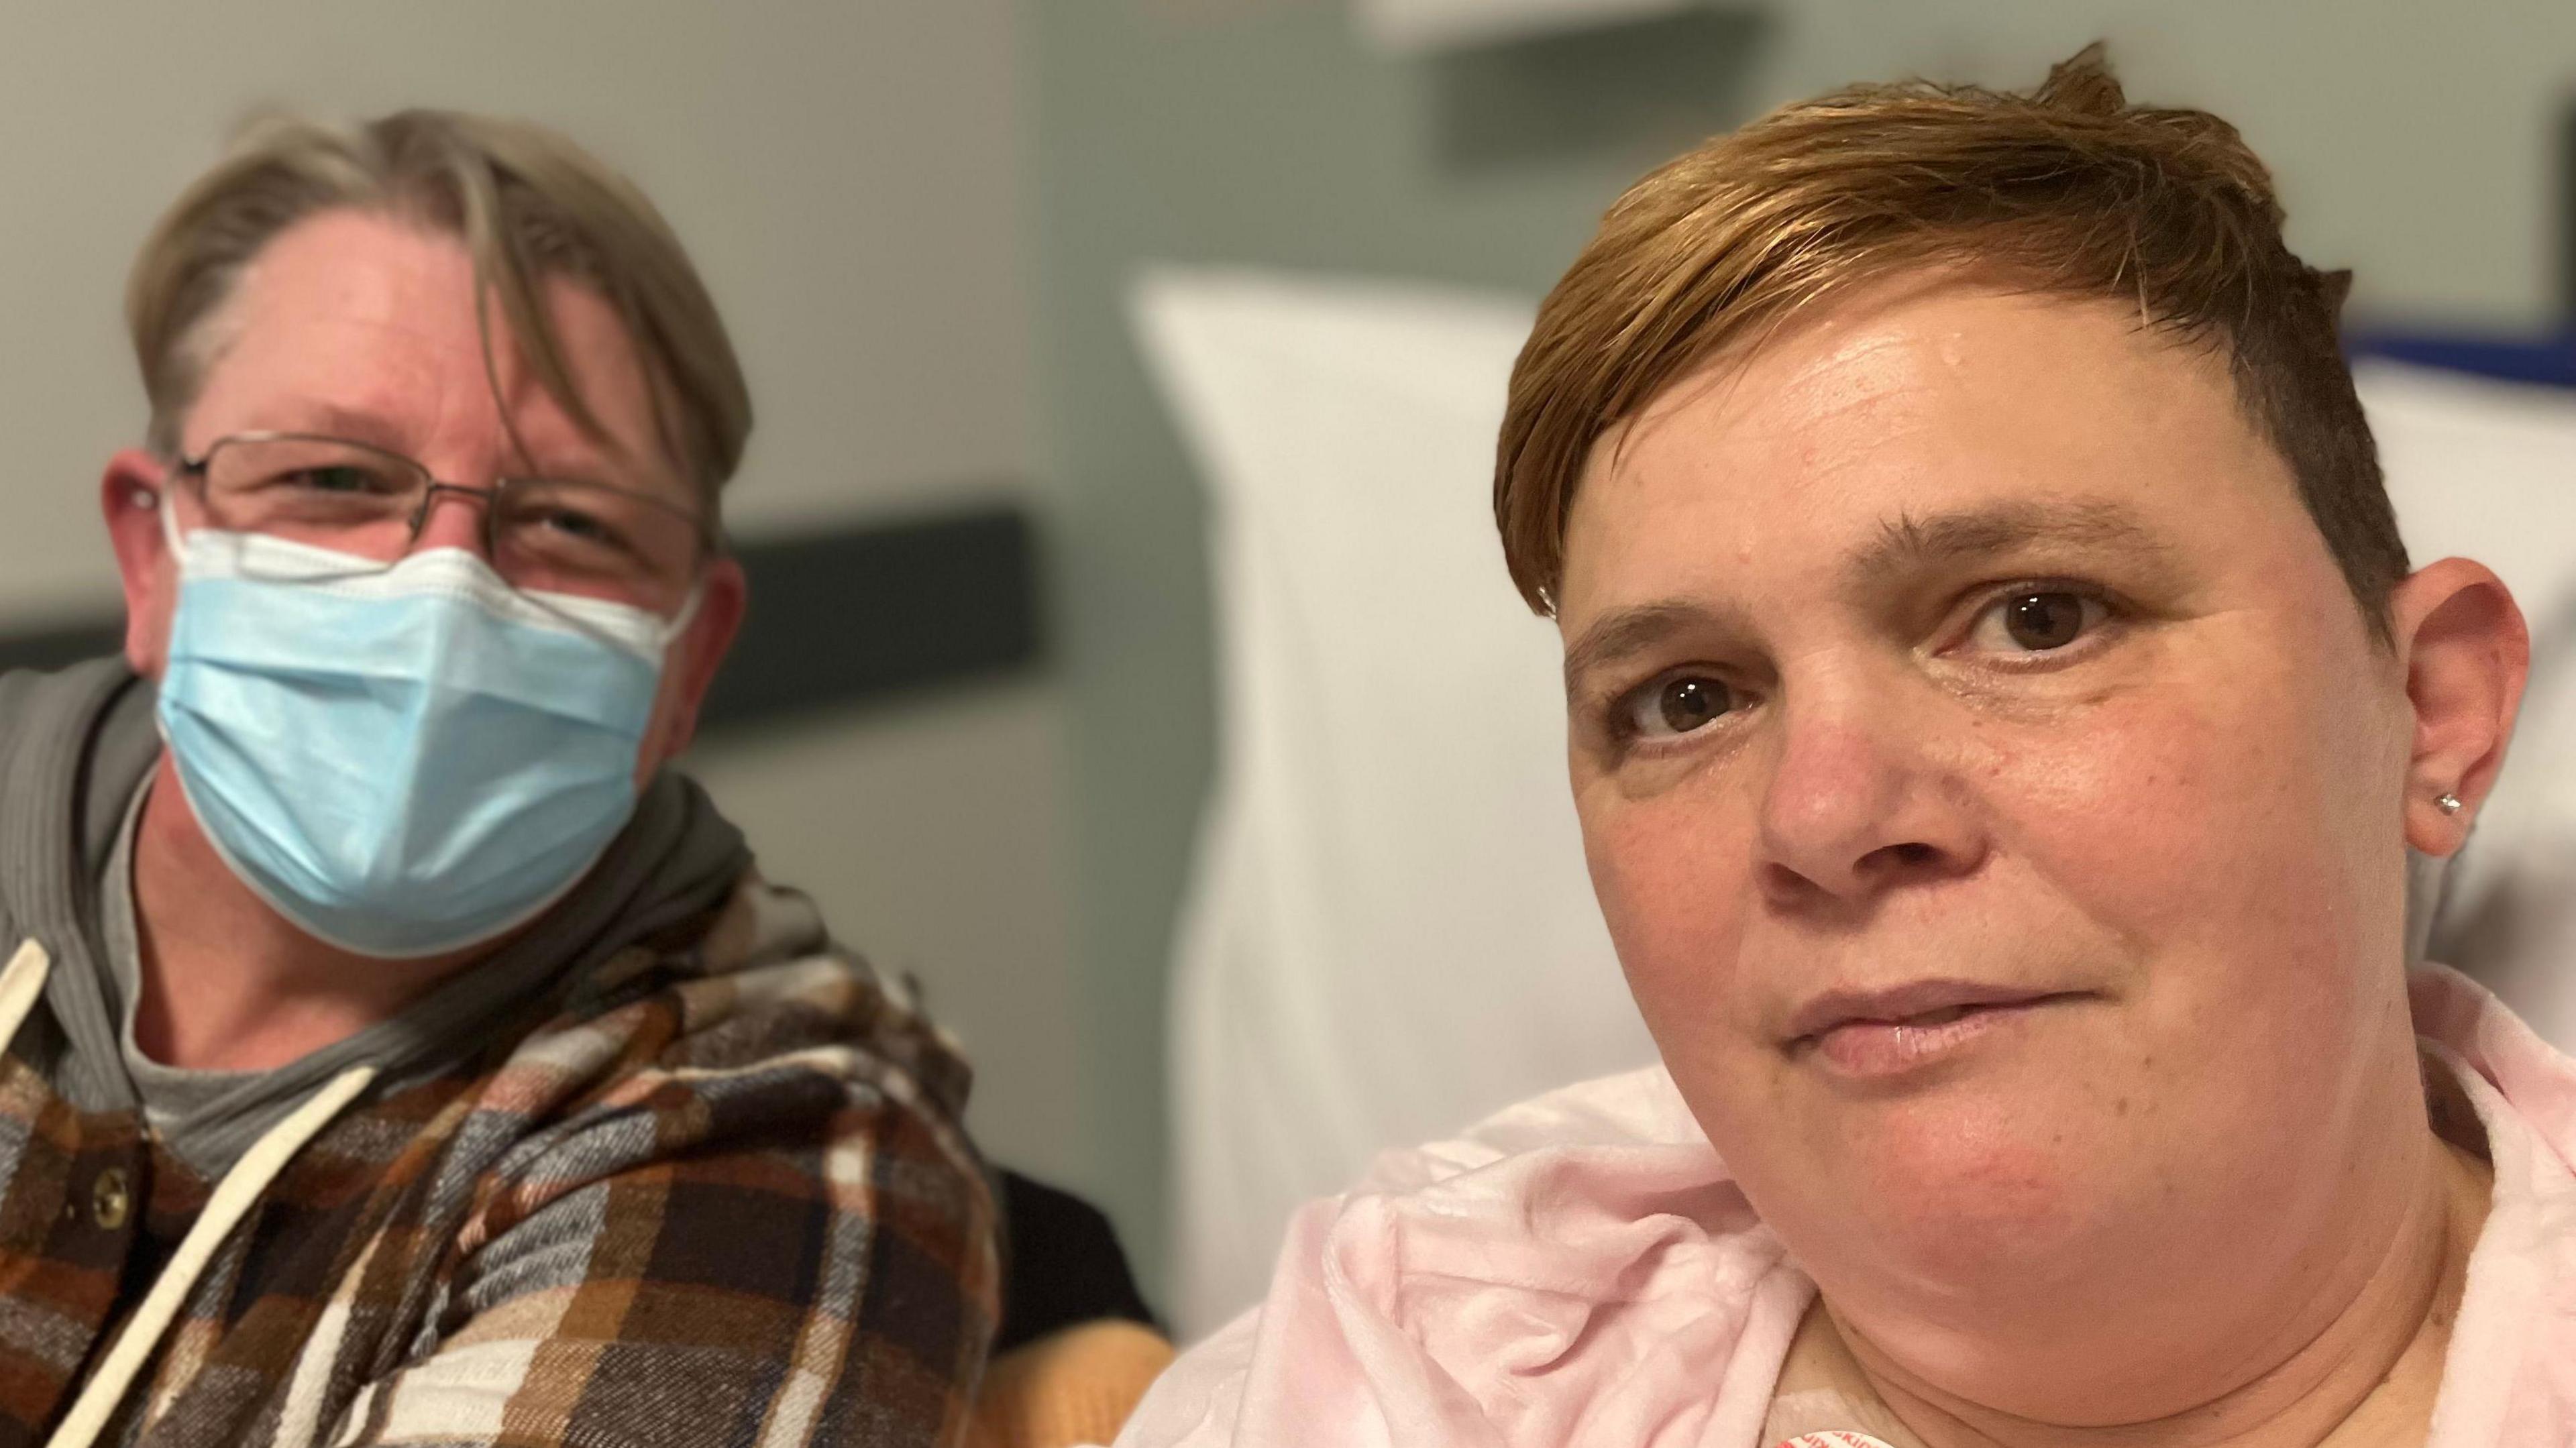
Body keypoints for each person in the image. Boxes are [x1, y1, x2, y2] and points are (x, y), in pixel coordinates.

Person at [1115, 46, 2572, 1448]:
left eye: (2035, 617)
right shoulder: (1393, 1370)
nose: (1821, 813)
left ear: (2431, 706)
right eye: (1687, 700)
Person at [0, 112, 996, 1446]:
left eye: (570, 523)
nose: (444, 590)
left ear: (690, 657)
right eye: (333, 478)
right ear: (155, 559)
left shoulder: (772, 1135)